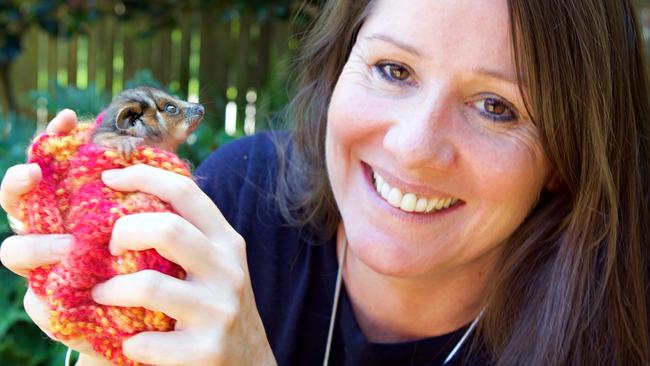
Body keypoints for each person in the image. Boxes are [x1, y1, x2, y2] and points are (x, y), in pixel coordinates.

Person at [1, 0, 649, 364]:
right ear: (339, 69)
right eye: (394, 70)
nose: (415, 148)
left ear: (566, 156)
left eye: (497, 108)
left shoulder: (610, 340)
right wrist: (104, 307)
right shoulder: (234, 202)